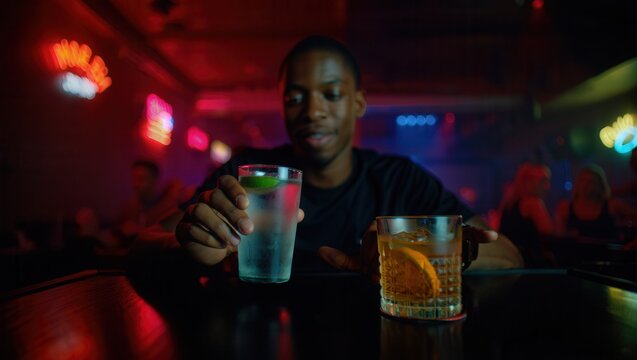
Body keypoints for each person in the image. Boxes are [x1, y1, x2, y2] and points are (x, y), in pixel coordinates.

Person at [138, 35, 523, 277]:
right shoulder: (249, 173)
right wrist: (187, 243)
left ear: (358, 103)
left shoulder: (398, 178)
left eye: (332, 95)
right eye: (295, 98)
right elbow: (145, 241)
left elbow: (508, 256)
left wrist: (411, 250)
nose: (312, 110)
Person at [114, 160, 191, 248]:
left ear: (154, 180)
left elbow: (172, 240)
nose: (136, 184)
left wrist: (139, 232)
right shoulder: (129, 207)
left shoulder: (169, 208)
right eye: (134, 178)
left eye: (141, 179)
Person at [555, 164, 637, 240]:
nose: (585, 185)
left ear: (599, 186)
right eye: (582, 180)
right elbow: (558, 237)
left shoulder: (613, 206)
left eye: (590, 182)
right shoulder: (565, 208)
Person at [499, 162, 554, 267]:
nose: (547, 186)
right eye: (543, 180)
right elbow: (549, 232)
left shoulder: (508, 203)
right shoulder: (533, 203)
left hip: (510, 260)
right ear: (529, 181)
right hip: (530, 264)